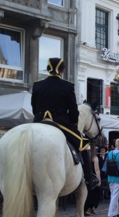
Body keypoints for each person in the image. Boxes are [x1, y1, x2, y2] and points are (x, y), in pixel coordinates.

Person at [31, 57, 98, 190]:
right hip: (60, 122)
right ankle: (89, 179)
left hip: (39, 121)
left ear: (48, 69)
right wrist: (72, 121)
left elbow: (34, 107)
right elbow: (73, 111)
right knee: (83, 143)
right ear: (62, 71)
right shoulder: (67, 86)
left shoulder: (37, 85)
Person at [84, 146, 102, 216]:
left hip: (86, 177)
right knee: (95, 193)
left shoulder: (85, 158)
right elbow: (97, 169)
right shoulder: (95, 158)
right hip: (93, 178)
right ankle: (90, 208)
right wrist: (99, 180)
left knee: (87, 194)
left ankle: (87, 209)